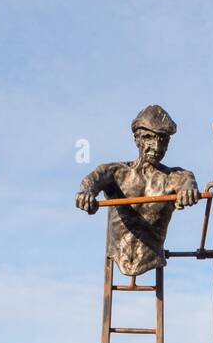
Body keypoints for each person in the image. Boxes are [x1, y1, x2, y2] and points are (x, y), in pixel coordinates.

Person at [75, 105, 201, 276]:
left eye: (163, 139)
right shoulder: (116, 173)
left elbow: (187, 182)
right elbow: (93, 180)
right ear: (137, 140)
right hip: (119, 254)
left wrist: (189, 191)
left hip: (152, 257)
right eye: (149, 138)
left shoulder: (174, 177)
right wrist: (86, 193)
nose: (157, 147)